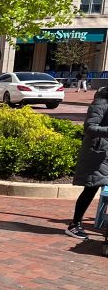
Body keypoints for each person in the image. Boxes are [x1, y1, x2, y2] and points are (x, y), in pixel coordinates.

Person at [65, 85, 108, 239]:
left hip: (104, 153)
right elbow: (89, 127)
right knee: (91, 189)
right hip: (96, 154)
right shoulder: (101, 102)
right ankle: (74, 224)